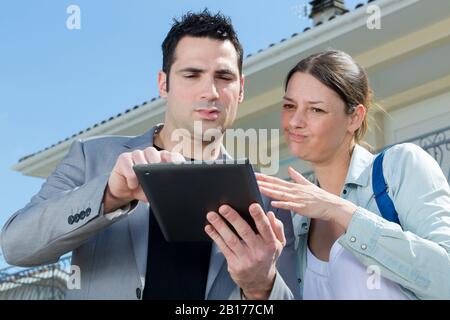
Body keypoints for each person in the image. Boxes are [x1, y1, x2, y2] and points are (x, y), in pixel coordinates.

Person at [0, 10, 298, 300]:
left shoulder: (269, 199)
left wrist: (262, 287)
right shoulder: (91, 158)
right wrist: (109, 195)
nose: (210, 91)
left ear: (241, 88)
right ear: (163, 84)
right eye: (192, 74)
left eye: (224, 76)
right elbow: (16, 246)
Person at [256, 50, 450, 299]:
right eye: (289, 106)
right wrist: (260, 284)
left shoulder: (399, 167)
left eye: (315, 110)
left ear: (355, 118)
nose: (295, 121)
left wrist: (340, 210)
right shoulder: (295, 221)